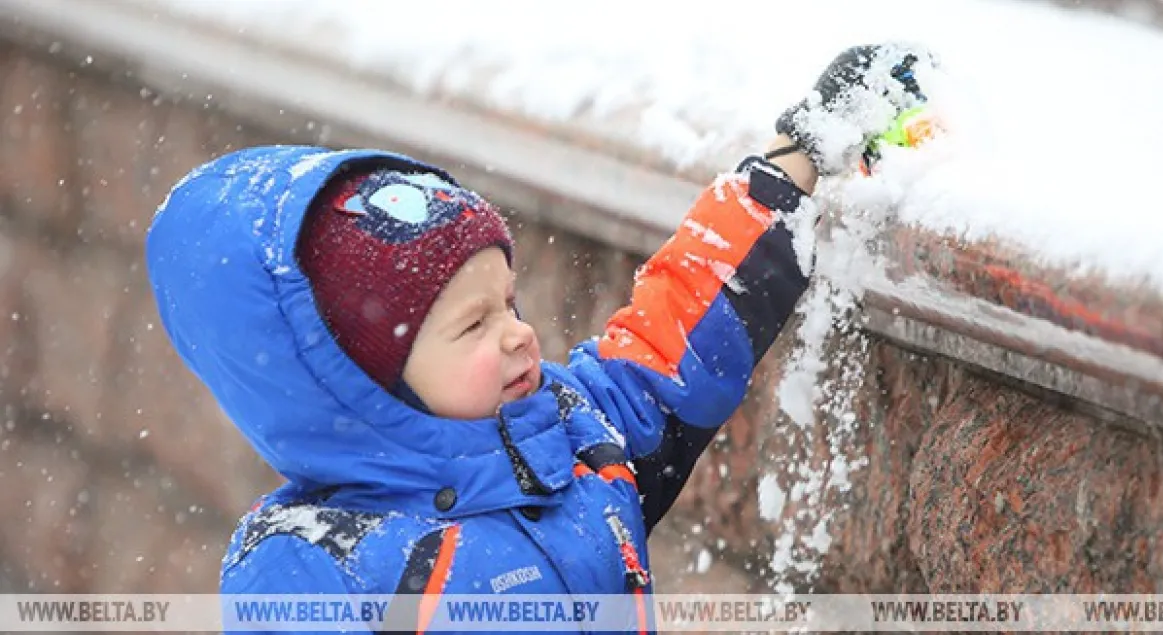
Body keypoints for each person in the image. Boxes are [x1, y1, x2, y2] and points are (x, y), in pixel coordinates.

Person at [146, 43, 932, 633]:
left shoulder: (571, 436)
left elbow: (671, 339)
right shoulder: (319, 568)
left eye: (509, 302)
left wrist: (793, 164)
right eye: (474, 324)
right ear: (358, 380)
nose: (521, 334)